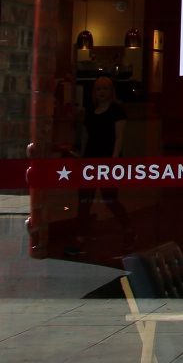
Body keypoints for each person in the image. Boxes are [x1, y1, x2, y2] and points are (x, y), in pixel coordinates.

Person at [77, 75, 132, 244]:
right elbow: (86, 136)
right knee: (85, 199)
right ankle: (81, 234)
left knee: (110, 198)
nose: (102, 92)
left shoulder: (117, 111)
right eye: (98, 89)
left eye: (105, 88)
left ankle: (128, 228)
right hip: (90, 159)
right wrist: (81, 156)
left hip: (108, 160)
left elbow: (119, 138)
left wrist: (114, 160)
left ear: (111, 91)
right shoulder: (90, 111)